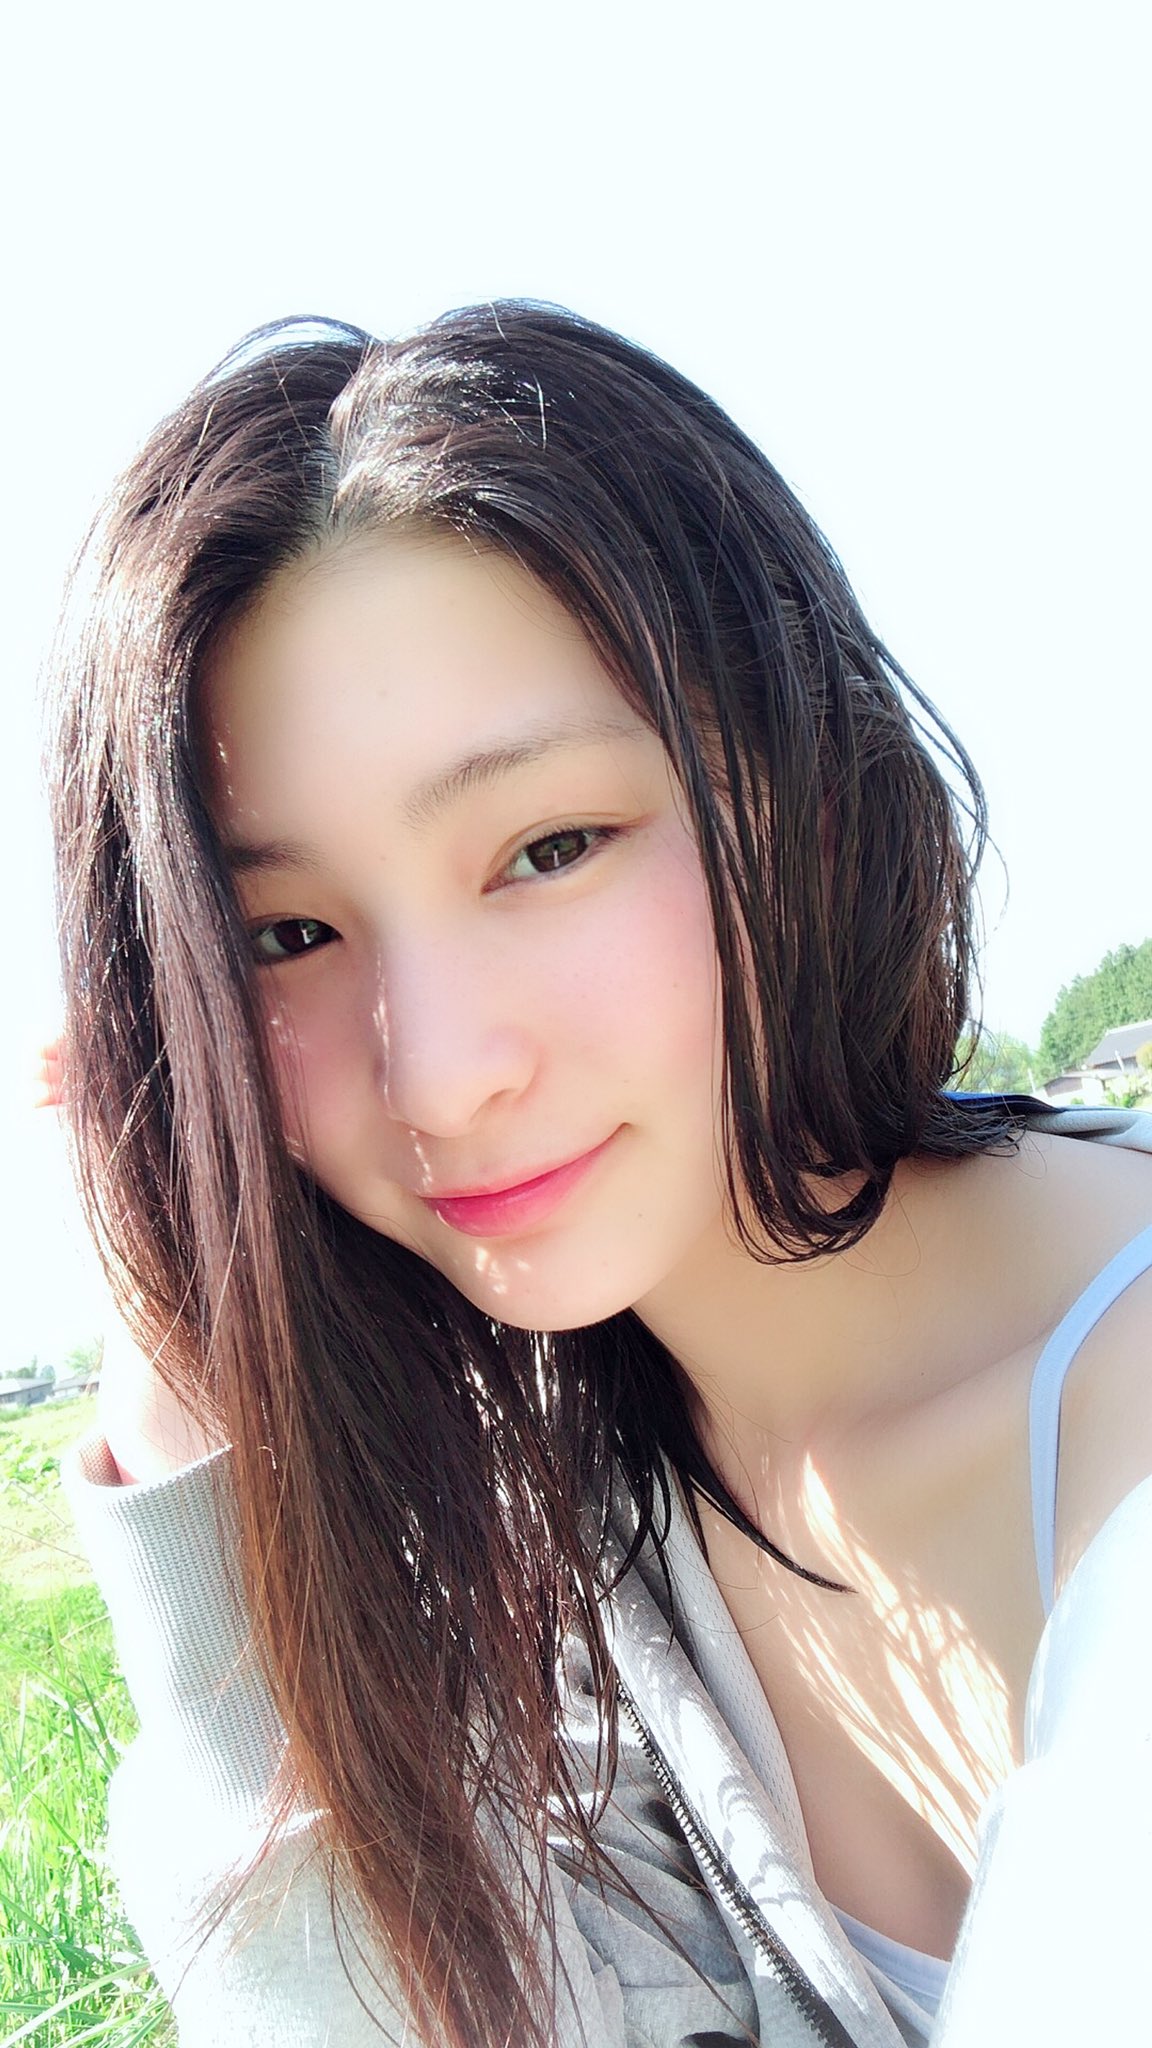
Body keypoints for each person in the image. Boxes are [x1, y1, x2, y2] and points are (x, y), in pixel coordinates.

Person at [46, 301, 1152, 2048]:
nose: (440, 1070)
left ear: (796, 794)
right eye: (287, 936)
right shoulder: (572, 1574)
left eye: (550, 848)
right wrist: (188, 1384)